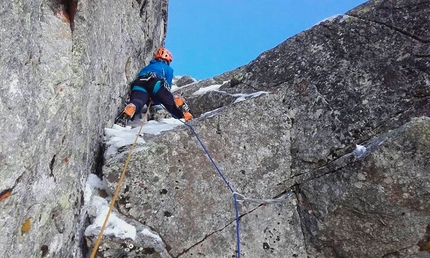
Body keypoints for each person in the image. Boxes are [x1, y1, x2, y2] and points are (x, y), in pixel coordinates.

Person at [115, 47, 193, 126]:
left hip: (139, 82)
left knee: (138, 101)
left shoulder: (148, 66)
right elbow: (167, 87)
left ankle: (131, 107)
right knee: (170, 104)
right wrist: (157, 100)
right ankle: (182, 112)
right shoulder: (168, 68)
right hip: (155, 82)